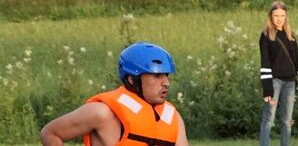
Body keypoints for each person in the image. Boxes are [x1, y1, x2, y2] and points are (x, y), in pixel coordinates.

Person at [40, 42, 189, 146]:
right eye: (157, 76)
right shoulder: (102, 112)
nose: (166, 83)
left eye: (166, 75)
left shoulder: (173, 117)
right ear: (132, 79)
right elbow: (51, 133)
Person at [259, 0, 298, 146]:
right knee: (269, 119)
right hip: (274, 82)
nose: (279, 19)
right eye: (276, 15)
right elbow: (265, 63)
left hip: (290, 83)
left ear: (286, 16)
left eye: (282, 15)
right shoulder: (266, 36)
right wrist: (267, 88)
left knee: (287, 121)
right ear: (270, 16)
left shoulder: (290, 36)